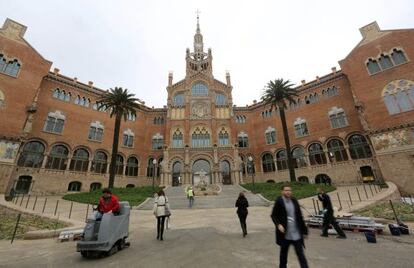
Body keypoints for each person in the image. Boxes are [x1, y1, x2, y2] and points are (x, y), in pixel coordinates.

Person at [271, 185, 309, 268]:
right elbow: (273, 215)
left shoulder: (294, 201)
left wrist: (304, 230)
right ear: (282, 191)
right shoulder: (279, 201)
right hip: (285, 235)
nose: (288, 192)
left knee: (301, 256)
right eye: (286, 190)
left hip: (296, 234)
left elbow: (299, 216)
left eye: (290, 190)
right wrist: (278, 225)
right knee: (283, 257)